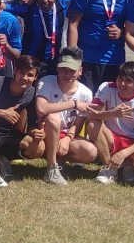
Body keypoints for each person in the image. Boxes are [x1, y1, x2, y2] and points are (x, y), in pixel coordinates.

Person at [67, 0, 134, 92]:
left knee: (111, 100)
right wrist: (74, 58)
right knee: (87, 100)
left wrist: (121, 32)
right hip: (87, 58)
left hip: (114, 59)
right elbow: (73, 25)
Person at [35, 47, 99, 186]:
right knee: (54, 118)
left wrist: (68, 139)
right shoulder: (46, 82)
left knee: (90, 152)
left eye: (72, 70)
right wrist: (73, 104)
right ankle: (52, 168)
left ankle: (59, 160)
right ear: (57, 68)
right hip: (45, 132)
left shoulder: (85, 93)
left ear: (80, 71)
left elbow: (78, 123)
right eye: (63, 69)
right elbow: (41, 108)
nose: (67, 74)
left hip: (66, 134)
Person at [88, 62, 134, 184]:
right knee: (92, 124)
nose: (122, 83)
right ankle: (109, 167)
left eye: (128, 81)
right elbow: (91, 115)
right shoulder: (106, 87)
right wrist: (113, 113)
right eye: (120, 78)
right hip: (112, 137)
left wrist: (124, 153)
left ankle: (129, 163)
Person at [0, 55, 42, 180]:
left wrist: (36, 132)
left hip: (7, 135)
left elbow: (31, 124)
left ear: (35, 77)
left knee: (39, 147)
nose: (24, 78)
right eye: (22, 72)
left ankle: (3, 157)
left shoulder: (31, 93)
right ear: (15, 70)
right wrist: (2, 113)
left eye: (30, 75)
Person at [7, 0, 66, 78]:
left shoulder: (63, 6)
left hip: (53, 60)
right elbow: (3, 6)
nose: (44, 0)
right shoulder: (29, 8)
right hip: (30, 60)